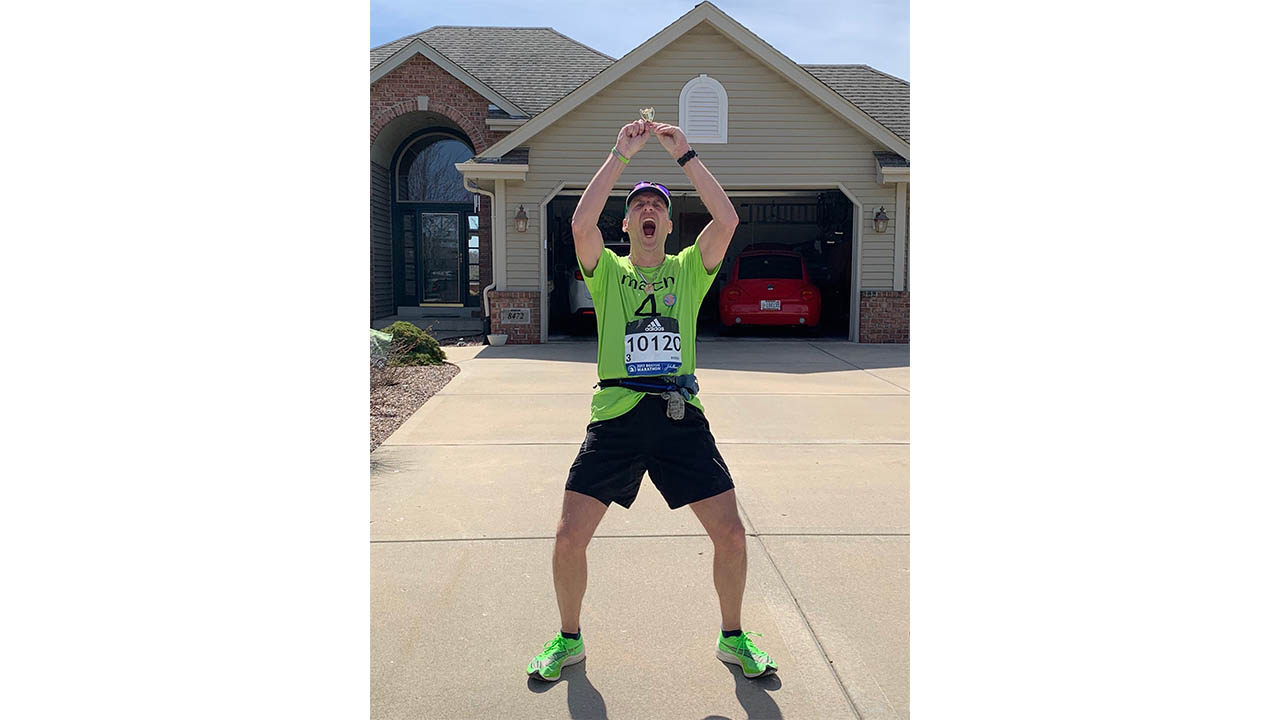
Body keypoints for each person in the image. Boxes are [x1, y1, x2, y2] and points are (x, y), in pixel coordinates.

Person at [526, 119, 777, 681]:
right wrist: (620, 153)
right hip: (615, 418)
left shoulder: (689, 270)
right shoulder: (609, 274)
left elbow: (728, 218)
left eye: (657, 206)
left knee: (731, 534)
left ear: (666, 223)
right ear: (628, 223)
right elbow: (578, 221)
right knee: (569, 538)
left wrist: (684, 154)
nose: (648, 211)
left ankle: (733, 637)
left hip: (678, 415)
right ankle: (569, 640)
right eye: (639, 205)